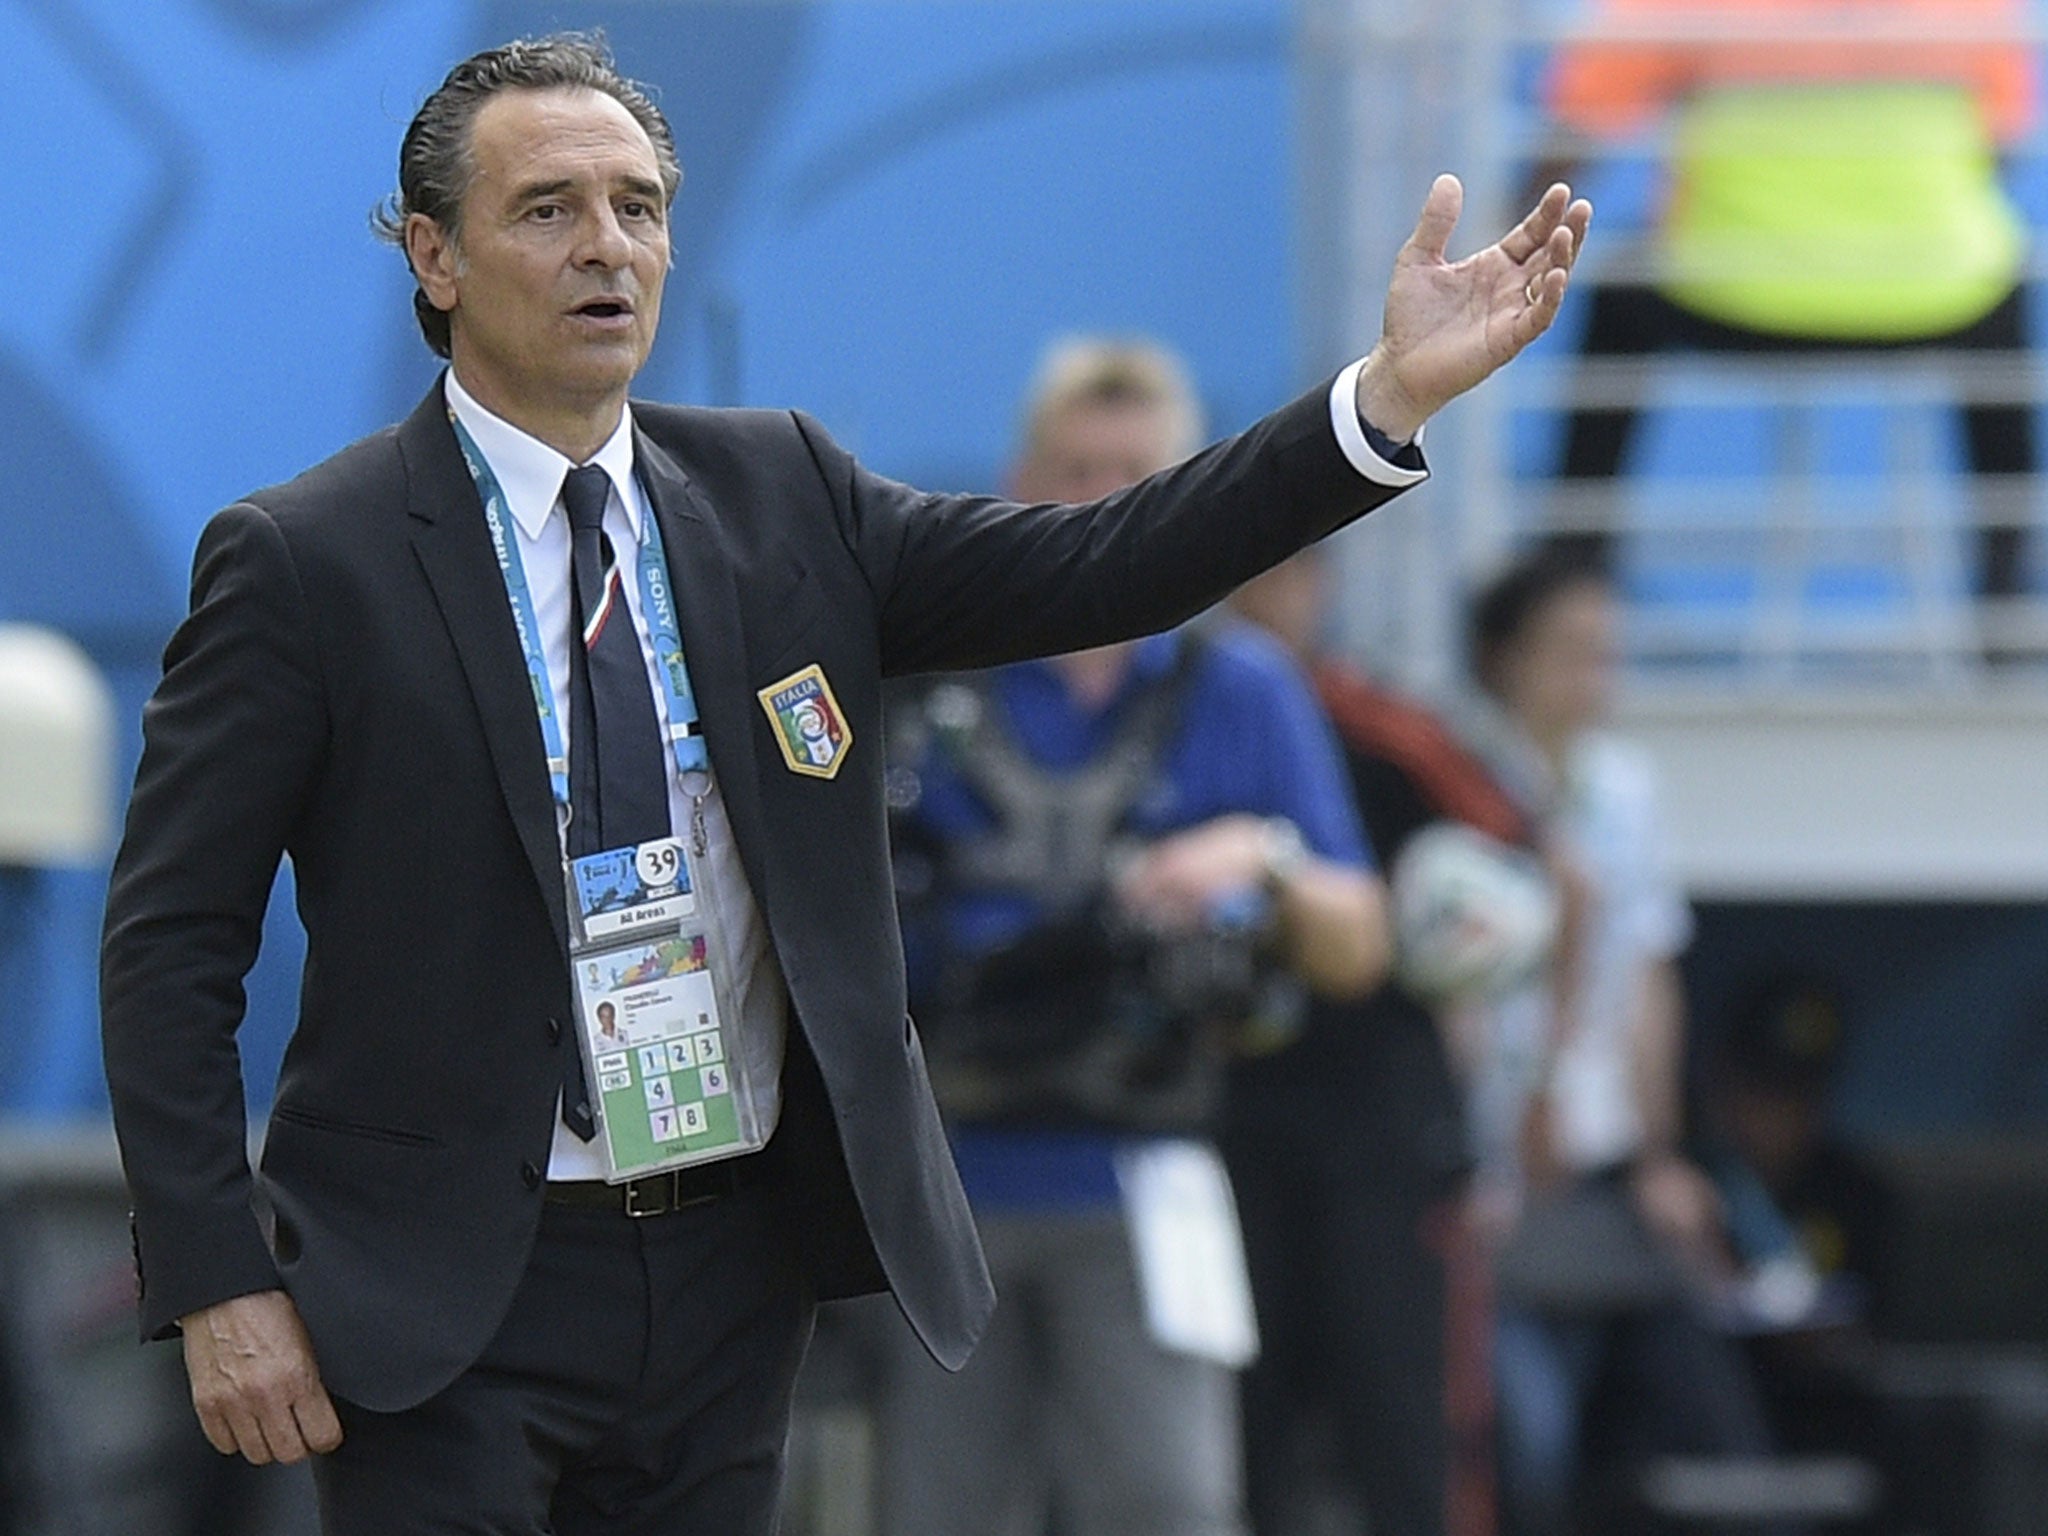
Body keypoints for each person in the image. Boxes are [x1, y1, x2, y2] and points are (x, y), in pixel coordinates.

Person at [95, 31, 1590, 1535]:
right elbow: (170, 944)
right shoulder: (306, 561)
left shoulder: (781, 497)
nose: (605, 246)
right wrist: (217, 1272)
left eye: (637, 205)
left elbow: (1108, 560)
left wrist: (1382, 400)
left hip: (729, 1267)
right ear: (434, 255)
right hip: (445, 1280)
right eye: (547, 208)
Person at [871, 339, 1386, 1536]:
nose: (1099, 501)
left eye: (1132, 472)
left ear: (1185, 489)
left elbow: (1357, 944)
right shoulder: (927, 683)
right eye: (1071, 470)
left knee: (1168, 1502)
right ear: (1014, 483)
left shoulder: (1242, 686)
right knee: (934, 1511)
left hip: (1147, 1171)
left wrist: (1260, 855)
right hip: (945, 1179)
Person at [1226, 548, 1549, 1536]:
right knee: (1242, 1428)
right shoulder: (1182, 719)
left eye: (1285, 573)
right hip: (1229, 1122)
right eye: (1244, 571)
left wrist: (1479, 996)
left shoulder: (1377, 728)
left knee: (1401, 1422)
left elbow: (1523, 853)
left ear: (1321, 583)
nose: (1260, 594)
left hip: (1379, 1131)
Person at [1542, 0, 2039, 637]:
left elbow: (1575, 131)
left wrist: (1503, 217)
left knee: (1619, 291)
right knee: (2003, 289)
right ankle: (2004, 600)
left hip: (1734, 294)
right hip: (1933, 296)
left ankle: (1566, 580)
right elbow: (2003, 146)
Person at [1458, 552, 1778, 1536]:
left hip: (1598, 1167)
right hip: (1484, 1174)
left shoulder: (1625, 788)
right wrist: (1498, 1139)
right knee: (1520, 1448)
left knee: (1694, 1430)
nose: (1591, 680)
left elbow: (1645, 978)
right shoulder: (1454, 779)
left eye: (1606, 656)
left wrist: (1656, 1155)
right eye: (1569, 655)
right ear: (1505, 660)